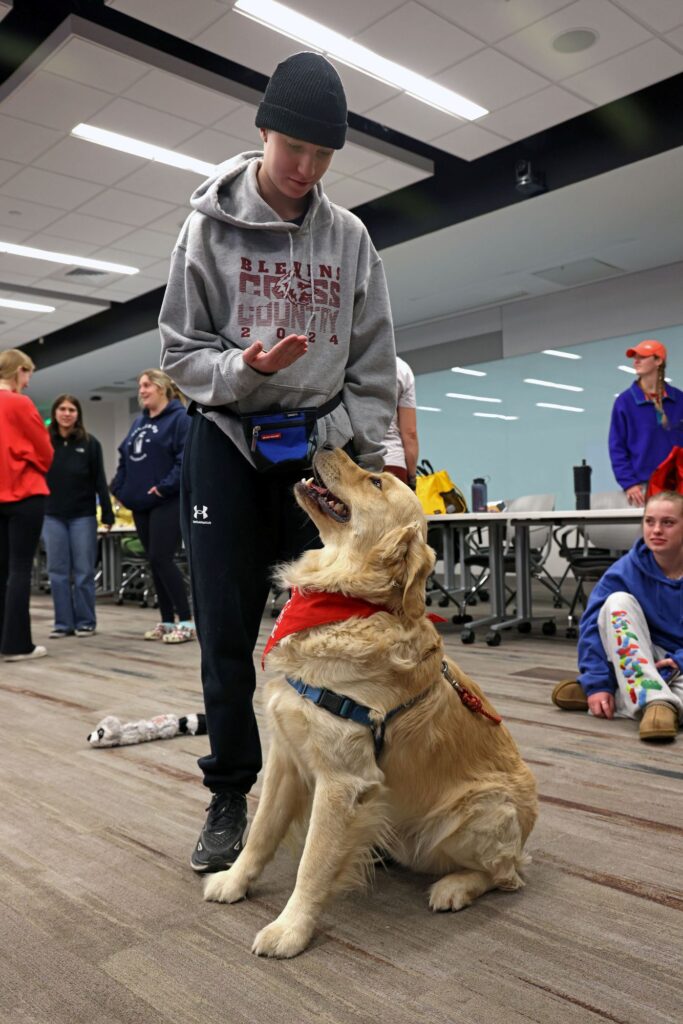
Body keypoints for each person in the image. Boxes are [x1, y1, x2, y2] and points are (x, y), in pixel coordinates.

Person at [159, 51, 397, 873]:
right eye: (294, 148)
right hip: (225, 445)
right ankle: (231, 793)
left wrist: (369, 455)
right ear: (263, 131)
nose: (307, 168)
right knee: (226, 631)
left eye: (323, 154)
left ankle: (351, 788)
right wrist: (243, 369)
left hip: (317, 454)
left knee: (336, 633)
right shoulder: (207, 227)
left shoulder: (350, 238)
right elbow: (179, 353)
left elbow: (372, 363)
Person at [552, 492, 683, 741]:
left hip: (678, 662)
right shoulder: (627, 568)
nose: (656, 530)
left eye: (668, 522)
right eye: (649, 521)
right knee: (616, 601)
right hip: (640, 656)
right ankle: (657, 703)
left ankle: (625, 693)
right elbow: (592, 625)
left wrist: (680, 661)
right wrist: (597, 682)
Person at [110, 369, 193, 643]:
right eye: (140, 386)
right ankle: (167, 621)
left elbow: (184, 459)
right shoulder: (139, 422)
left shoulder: (180, 418)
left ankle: (187, 621)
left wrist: (163, 487)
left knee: (161, 558)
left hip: (167, 500)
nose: (142, 390)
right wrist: (119, 489)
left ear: (162, 388)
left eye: (147, 385)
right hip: (140, 503)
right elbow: (124, 458)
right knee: (154, 562)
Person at [43, 394, 114, 638]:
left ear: (78, 414)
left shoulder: (90, 443)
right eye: (62, 409)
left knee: (84, 571)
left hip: (83, 516)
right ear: (55, 413)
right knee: (57, 572)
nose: (66, 413)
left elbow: (100, 480)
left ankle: (86, 622)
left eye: (71, 409)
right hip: (52, 516)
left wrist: (107, 514)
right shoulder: (44, 442)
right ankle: (63, 624)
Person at [0, 348, 53, 662]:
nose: (28, 382)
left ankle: (3, 639)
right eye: (28, 374)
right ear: (19, 370)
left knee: (1, 569)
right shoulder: (20, 403)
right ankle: (17, 644)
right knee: (20, 569)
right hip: (25, 494)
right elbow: (45, 451)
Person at [609, 339, 683, 506]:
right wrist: (629, 483)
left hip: (678, 486)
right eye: (635, 357)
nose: (636, 361)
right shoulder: (625, 402)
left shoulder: (679, 400)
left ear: (658, 361)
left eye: (642, 357)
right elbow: (617, 447)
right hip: (642, 488)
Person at [383, 356, 418, 488]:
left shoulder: (350, 360)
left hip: (356, 465)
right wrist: (412, 479)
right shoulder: (401, 369)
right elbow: (410, 433)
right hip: (392, 463)